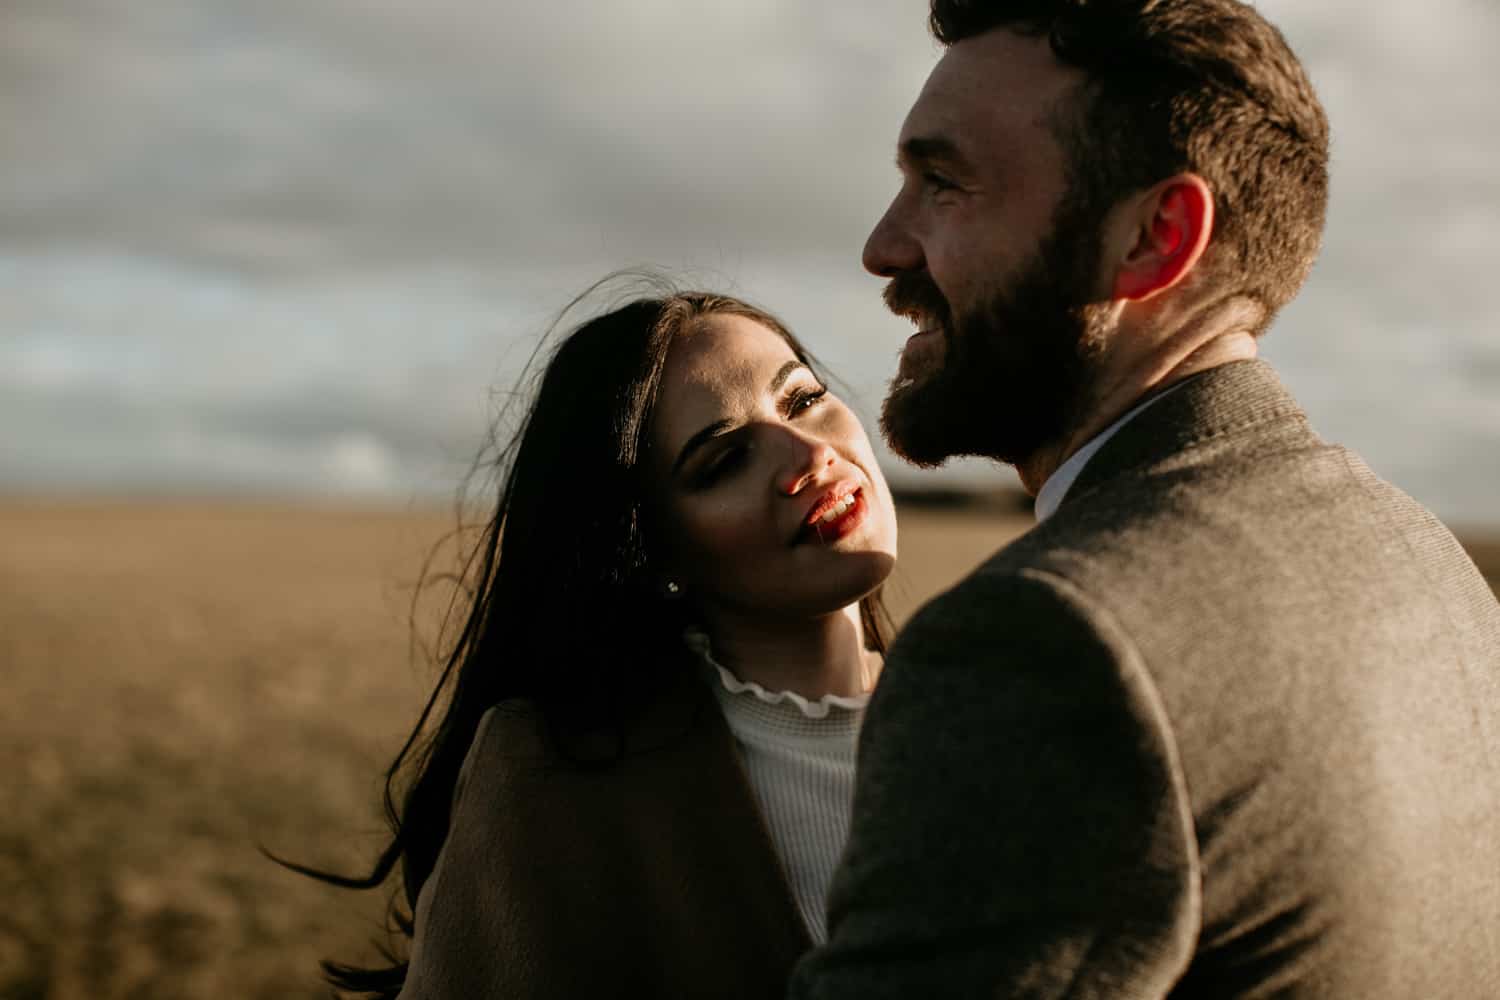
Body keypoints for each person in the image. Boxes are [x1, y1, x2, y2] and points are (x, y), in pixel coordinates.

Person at [790, 2, 1500, 997]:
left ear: (1155, 237)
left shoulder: (1048, 644)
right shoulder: (1424, 562)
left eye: (944, 182)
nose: (884, 246)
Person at [295, 284, 898, 998]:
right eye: (724, 461)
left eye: (801, 400)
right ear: (656, 549)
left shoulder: (998, 705)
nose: (808, 455)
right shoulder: (553, 776)